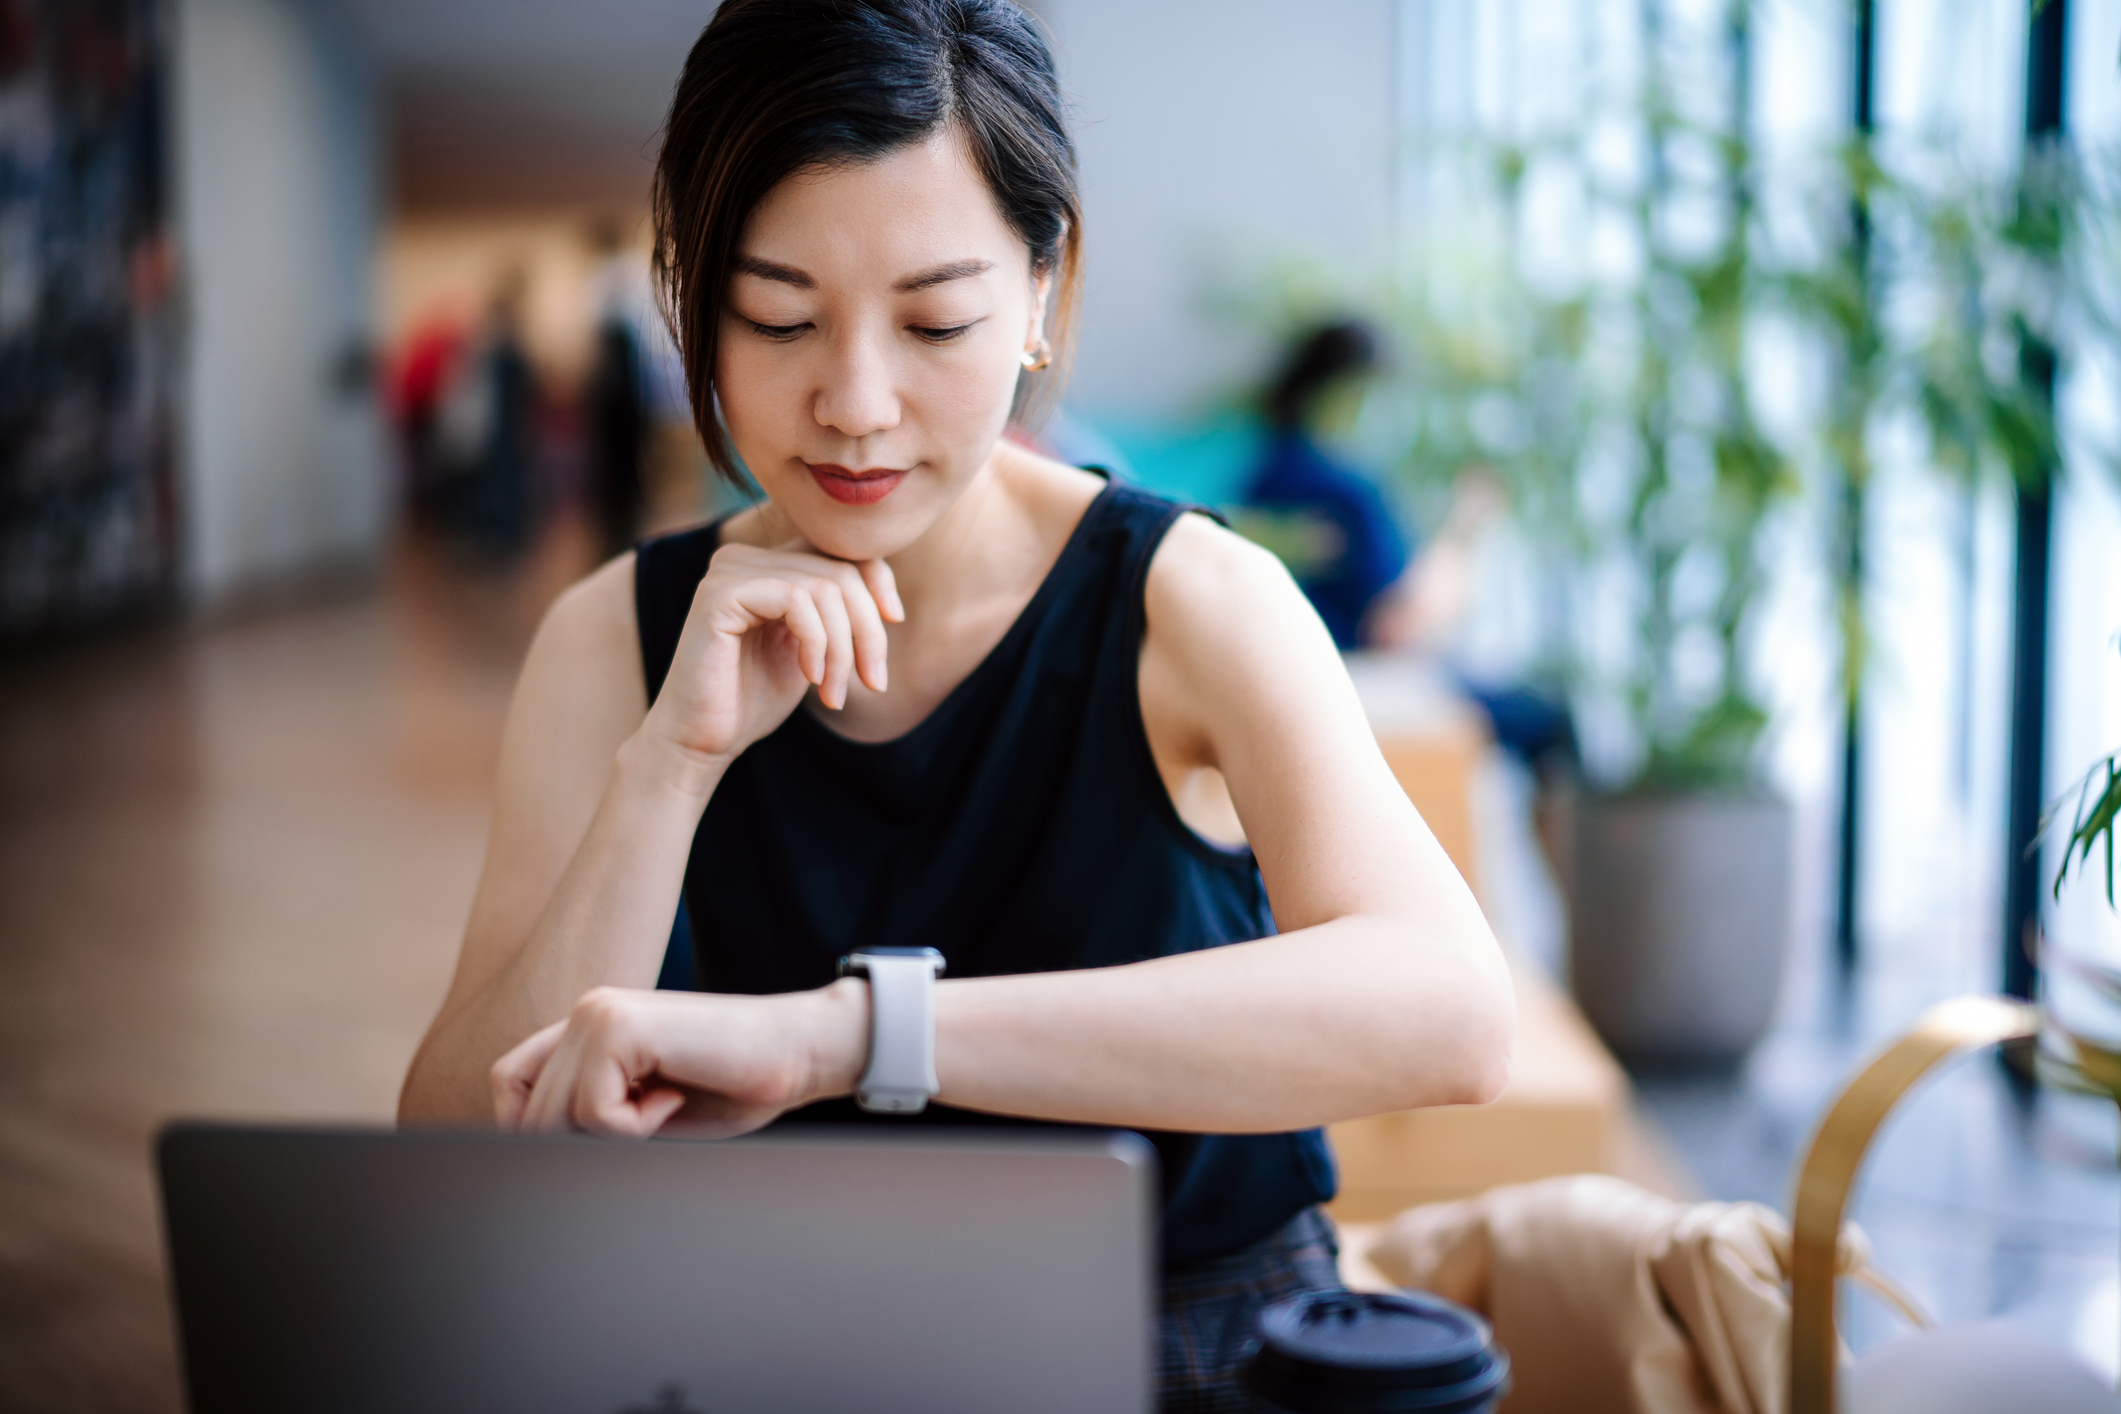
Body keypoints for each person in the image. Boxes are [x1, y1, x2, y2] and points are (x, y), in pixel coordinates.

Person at [397, 4, 1512, 1409]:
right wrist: (669, 766)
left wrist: (851, 1038)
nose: (853, 403)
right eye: (778, 315)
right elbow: (452, 1164)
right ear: (690, 295)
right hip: (777, 1347)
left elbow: (1455, 1012)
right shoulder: (610, 639)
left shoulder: (1188, 601)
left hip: (1182, 1342)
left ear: (1044, 286)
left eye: (934, 319)